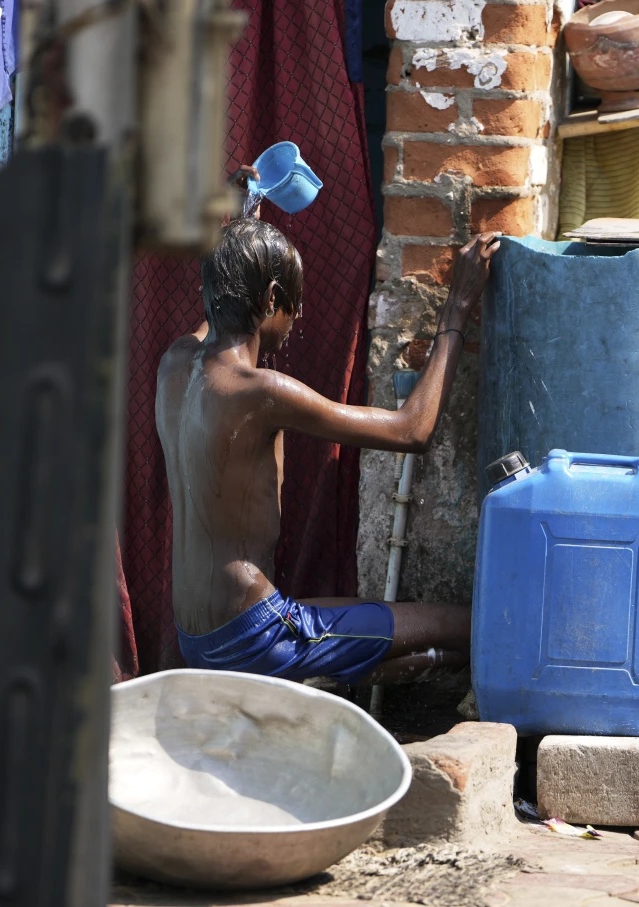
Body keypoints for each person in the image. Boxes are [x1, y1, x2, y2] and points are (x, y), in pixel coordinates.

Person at [156, 188, 500, 686]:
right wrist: (457, 308)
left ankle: (342, 675)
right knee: (462, 625)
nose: (295, 320)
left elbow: (220, 304)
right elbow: (413, 429)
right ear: (270, 298)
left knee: (383, 638)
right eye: (292, 306)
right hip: (257, 638)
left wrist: (244, 229)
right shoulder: (260, 391)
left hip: (198, 639)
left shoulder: (174, 363)